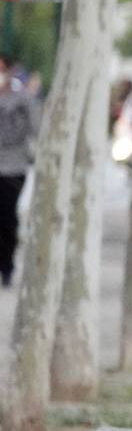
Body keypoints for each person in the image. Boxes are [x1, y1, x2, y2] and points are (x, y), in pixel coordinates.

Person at [0, 56, 41, 288]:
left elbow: (36, 127)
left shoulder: (23, 99)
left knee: (7, 217)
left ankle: (7, 265)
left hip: (13, 167)